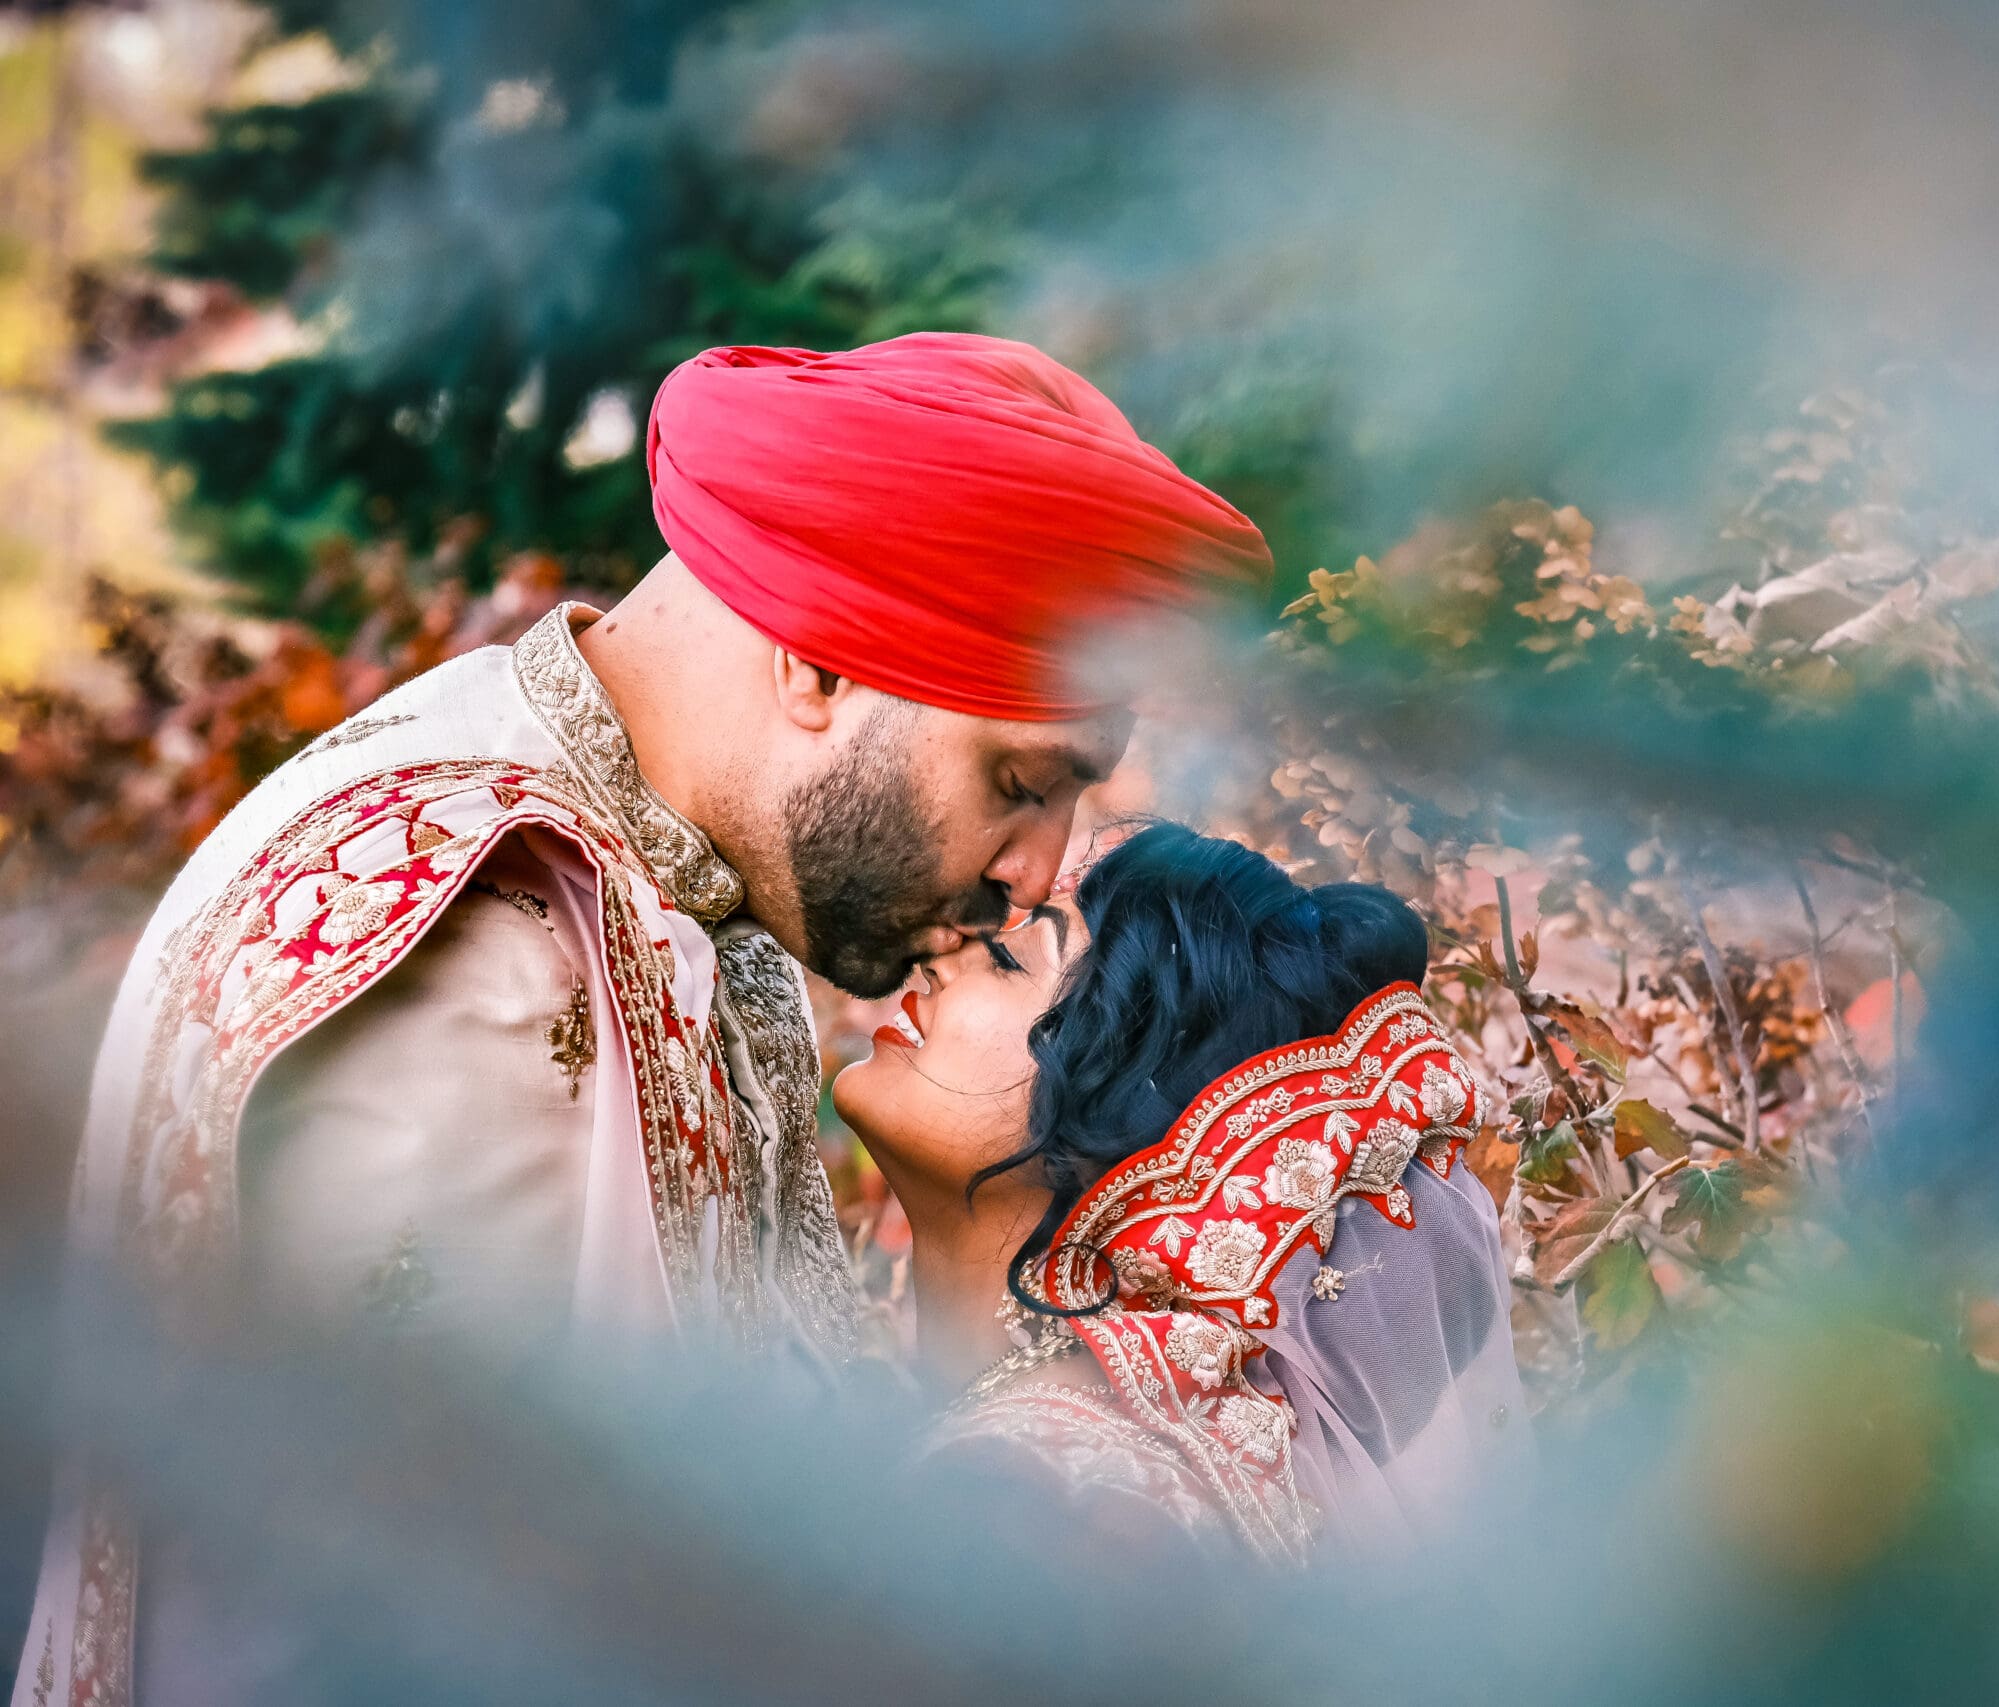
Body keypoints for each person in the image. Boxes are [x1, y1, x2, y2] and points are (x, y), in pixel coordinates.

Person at [15, 336, 1270, 1707]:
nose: (1037, 867)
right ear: (822, 661)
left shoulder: (671, 873)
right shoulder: (492, 950)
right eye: (1019, 778)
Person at [832, 824, 1529, 1562]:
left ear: (1118, 1110)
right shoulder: (1123, 1458)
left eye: (1008, 958)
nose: (940, 951)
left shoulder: (1038, 1501)